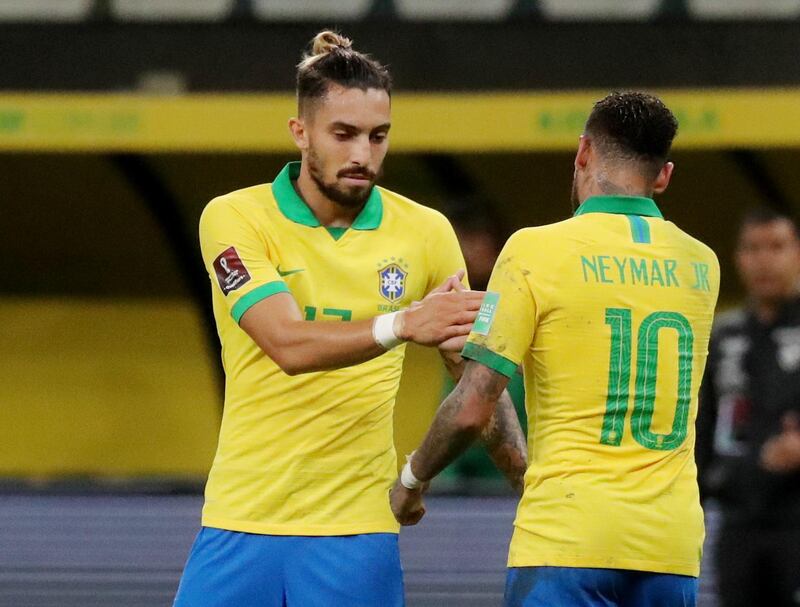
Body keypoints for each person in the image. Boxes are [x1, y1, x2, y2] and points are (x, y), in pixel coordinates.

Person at [173, 30, 508, 607]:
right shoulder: (234, 218)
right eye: (344, 134)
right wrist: (401, 324)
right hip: (240, 521)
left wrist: (525, 473)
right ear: (300, 133)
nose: (362, 154)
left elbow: (475, 374)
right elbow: (287, 344)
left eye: (378, 137)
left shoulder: (425, 233)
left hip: (355, 531)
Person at [391, 91, 720, 607]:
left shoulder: (534, 250)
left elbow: (474, 406)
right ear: (664, 176)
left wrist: (411, 479)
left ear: (583, 152)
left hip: (567, 537)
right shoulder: (703, 265)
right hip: (670, 546)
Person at [696, 208, 800, 607]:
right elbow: (702, 428)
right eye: (752, 249)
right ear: (738, 258)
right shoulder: (724, 334)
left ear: (797, 253)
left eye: (776, 247)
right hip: (737, 524)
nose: (764, 261)